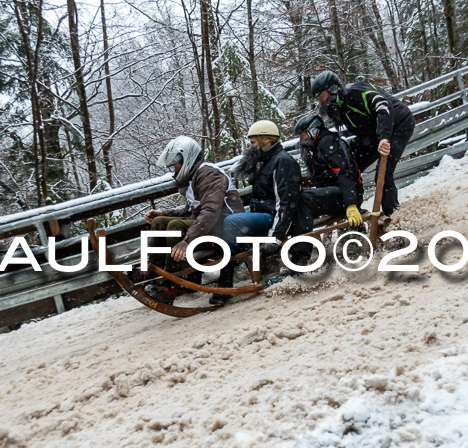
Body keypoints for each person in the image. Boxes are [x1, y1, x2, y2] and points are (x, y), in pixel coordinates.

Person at [142, 136, 245, 304]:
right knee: (160, 222)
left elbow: (210, 211)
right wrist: (163, 213)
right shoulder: (194, 176)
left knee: (175, 226)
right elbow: (191, 210)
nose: (174, 172)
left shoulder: (209, 174)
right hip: (212, 226)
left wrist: (188, 240)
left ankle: (173, 283)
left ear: (186, 159)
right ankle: (155, 276)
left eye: (175, 166)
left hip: (227, 228)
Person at [210, 120, 302, 305]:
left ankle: (226, 281)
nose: (250, 147)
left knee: (232, 222)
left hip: (273, 220)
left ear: (265, 140)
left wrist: (276, 236)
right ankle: (230, 271)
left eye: (253, 143)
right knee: (225, 220)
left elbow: (285, 202)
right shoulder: (263, 161)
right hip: (263, 214)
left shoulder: (282, 161)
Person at [311, 70, 415, 216]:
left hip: (398, 125)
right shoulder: (337, 108)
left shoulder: (355, 92)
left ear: (332, 89)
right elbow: (360, 127)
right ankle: (353, 210)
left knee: (383, 173)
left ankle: (393, 215)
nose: (320, 102)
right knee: (351, 166)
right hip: (374, 135)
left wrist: (384, 137)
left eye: (321, 96)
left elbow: (384, 106)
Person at [288, 113, 364, 263]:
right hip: (335, 194)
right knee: (298, 198)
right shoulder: (317, 148)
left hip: (345, 195)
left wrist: (351, 204)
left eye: (302, 135)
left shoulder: (330, 143)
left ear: (313, 131)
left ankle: (300, 257)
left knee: (304, 199)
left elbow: (344, 172)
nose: (301, 140)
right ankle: (295, 251)